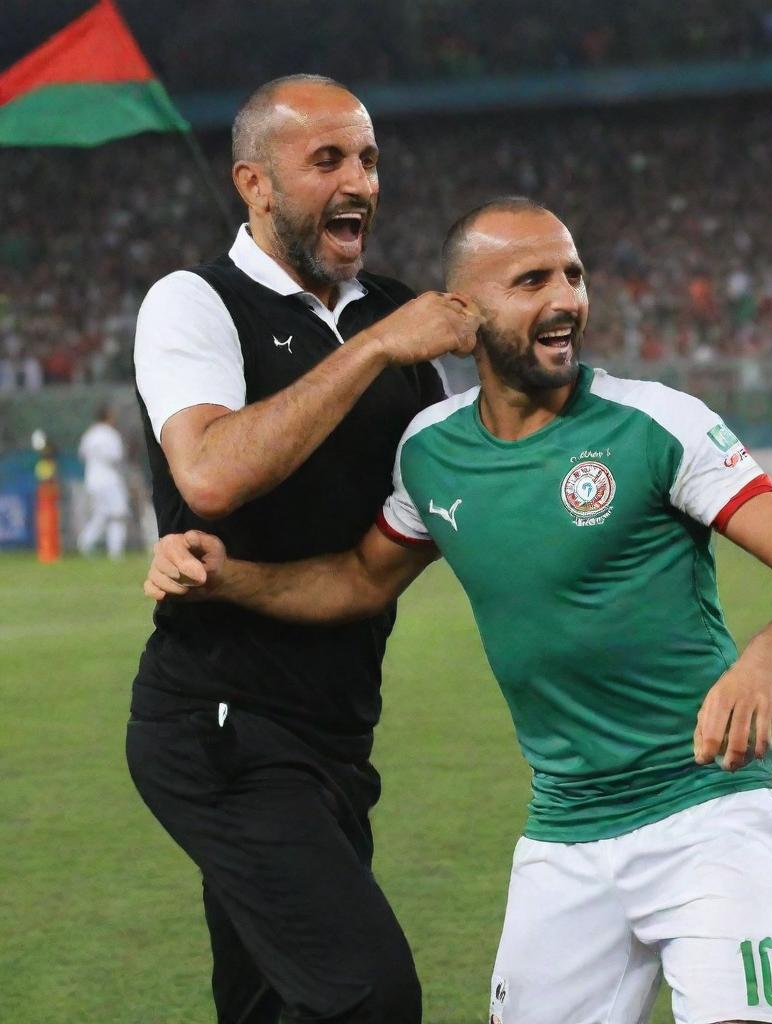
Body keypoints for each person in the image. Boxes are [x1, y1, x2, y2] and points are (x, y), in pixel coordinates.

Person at [145, 198, 772, 1024]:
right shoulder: (431, 449)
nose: (566, 299)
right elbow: (359, 581)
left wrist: (769, 658)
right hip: (565, 835)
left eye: (574, 275)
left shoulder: (657, 423)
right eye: (532, 280)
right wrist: (227, 579)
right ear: (463, 315)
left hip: (709, 814)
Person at [128, 74, 480, 1024]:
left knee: (274, 1005)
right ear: (254, 183)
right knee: (369, 996)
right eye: (326, 159)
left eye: (366, 157)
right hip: (221, 726)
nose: (358, 180)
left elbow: (387, 561)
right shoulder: (193, 303)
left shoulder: (403, 317)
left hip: (337, 733)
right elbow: (207, 474)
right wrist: (369, 353)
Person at [77, 403, 130, 558]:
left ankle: (85, 543)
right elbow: (117, 457)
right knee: (118, 514)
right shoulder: (110, 434)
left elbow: (82, 454)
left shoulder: (90, 434)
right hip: (109, 480)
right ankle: (116, 552)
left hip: (92, 479)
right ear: (108, 416)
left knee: (102, 514)